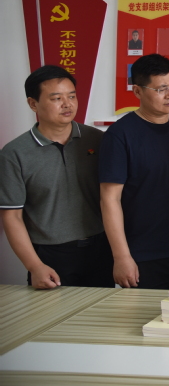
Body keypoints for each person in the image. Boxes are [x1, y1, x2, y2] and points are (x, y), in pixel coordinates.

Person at [99, 54, 169, 289]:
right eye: (161, 89)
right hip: (142, 254)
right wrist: (121, 256)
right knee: (146, 313)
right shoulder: (120, 135)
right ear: (137, 91)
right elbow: (109, 199)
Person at [0, 65, 113, 289]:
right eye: (56, 98)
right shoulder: (15, 153)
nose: (67, 104)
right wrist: (34, 266)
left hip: (101, 248)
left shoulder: (97, 140)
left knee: (101, 310)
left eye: (71, 96)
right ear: (33, 104)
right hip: (51, 255)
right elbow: (12, 216)